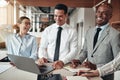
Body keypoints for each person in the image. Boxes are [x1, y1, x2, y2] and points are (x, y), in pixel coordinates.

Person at [71, 3, 120, 80]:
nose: (100, 15)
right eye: (98, 11)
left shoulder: (115, 35)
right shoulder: (89, 31)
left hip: (105, 77)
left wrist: (97, 66)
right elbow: (85, 51)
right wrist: (78, 60)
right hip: (87, 74)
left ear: (110, 16)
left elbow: (117, 61)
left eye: (104, 13)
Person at [38, 4, 78, 69]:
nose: (57, 19)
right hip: (49, 63)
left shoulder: (72, 31)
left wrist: (62, 61)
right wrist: (42, 57)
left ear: (66, 15)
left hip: (64, 64)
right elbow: (42, 47)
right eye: (55, 16)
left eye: (60, 16)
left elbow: (74, 50)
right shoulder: (48, 30)